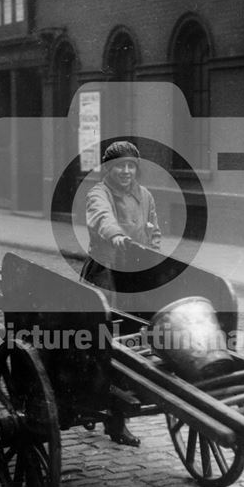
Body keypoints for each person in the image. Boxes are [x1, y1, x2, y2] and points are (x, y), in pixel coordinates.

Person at [81, 140, 162, 446]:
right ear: (109, 169)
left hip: (137, 276)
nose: (126, 171)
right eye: (119, 166)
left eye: (131, 166)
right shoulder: (98, 193)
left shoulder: (145, 196)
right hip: (106, 274)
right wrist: (115, 235)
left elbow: (153, 230)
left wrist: (153, 257)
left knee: (134, 339)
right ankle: (92, 400)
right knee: (102, 340)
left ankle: (118, 419)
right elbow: (101, 217)